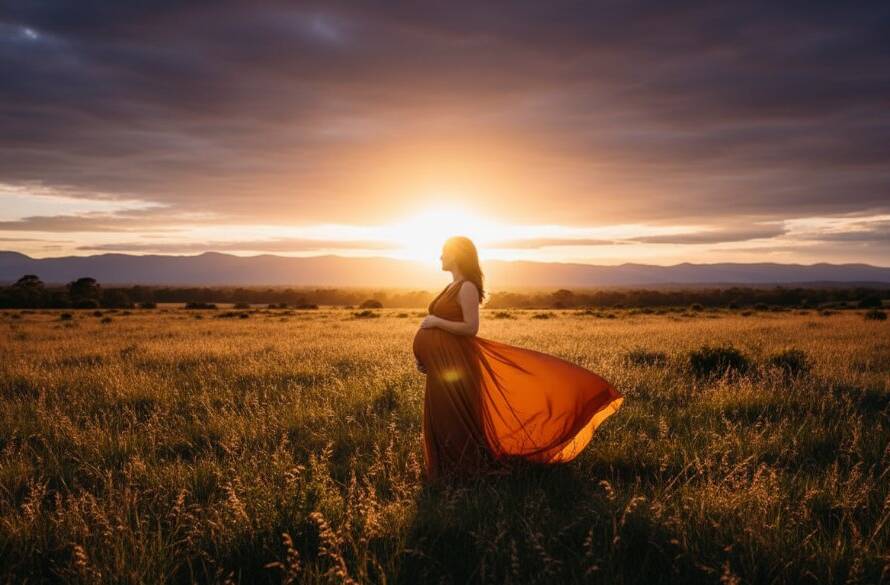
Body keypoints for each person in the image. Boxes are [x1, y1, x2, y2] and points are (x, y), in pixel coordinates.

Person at [412, 236, 623, 482]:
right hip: (443, 367)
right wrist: (429, 358)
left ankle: (462, 476)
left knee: (454, 421)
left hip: (459, 368)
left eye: (444, 252)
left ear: (458, 255)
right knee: (441, 417)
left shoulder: (466, 287)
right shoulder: (450, 286)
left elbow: (471, 328)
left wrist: (436, 322)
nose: (440, 256)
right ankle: (446, 474)